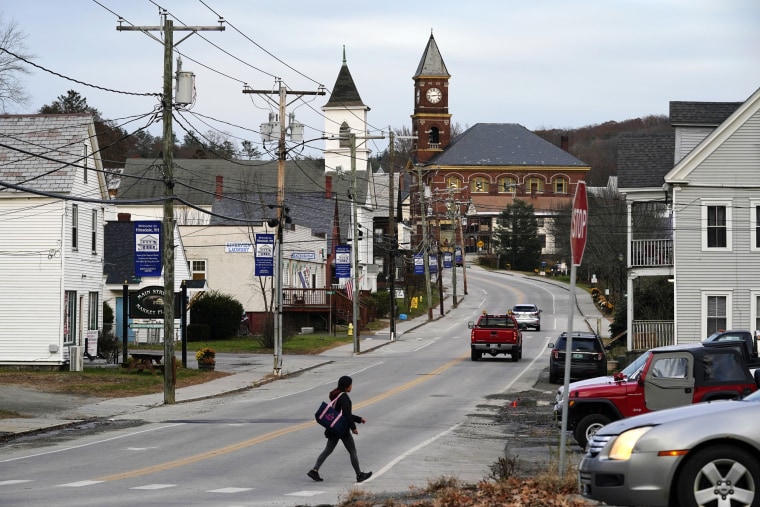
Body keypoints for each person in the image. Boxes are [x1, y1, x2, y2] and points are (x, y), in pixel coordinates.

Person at [308, 375, 372, 483]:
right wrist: (353, 427)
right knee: (352, 451)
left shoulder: (335, 394)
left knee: (328, 450)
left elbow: (341, 414)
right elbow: (346, 414)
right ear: (347, 386)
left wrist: (359, 419)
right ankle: (359, 475)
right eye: (351, 385)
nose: (352, 387)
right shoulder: (344, 397)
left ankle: (314, 470)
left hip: (334, 427)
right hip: (342, 429)